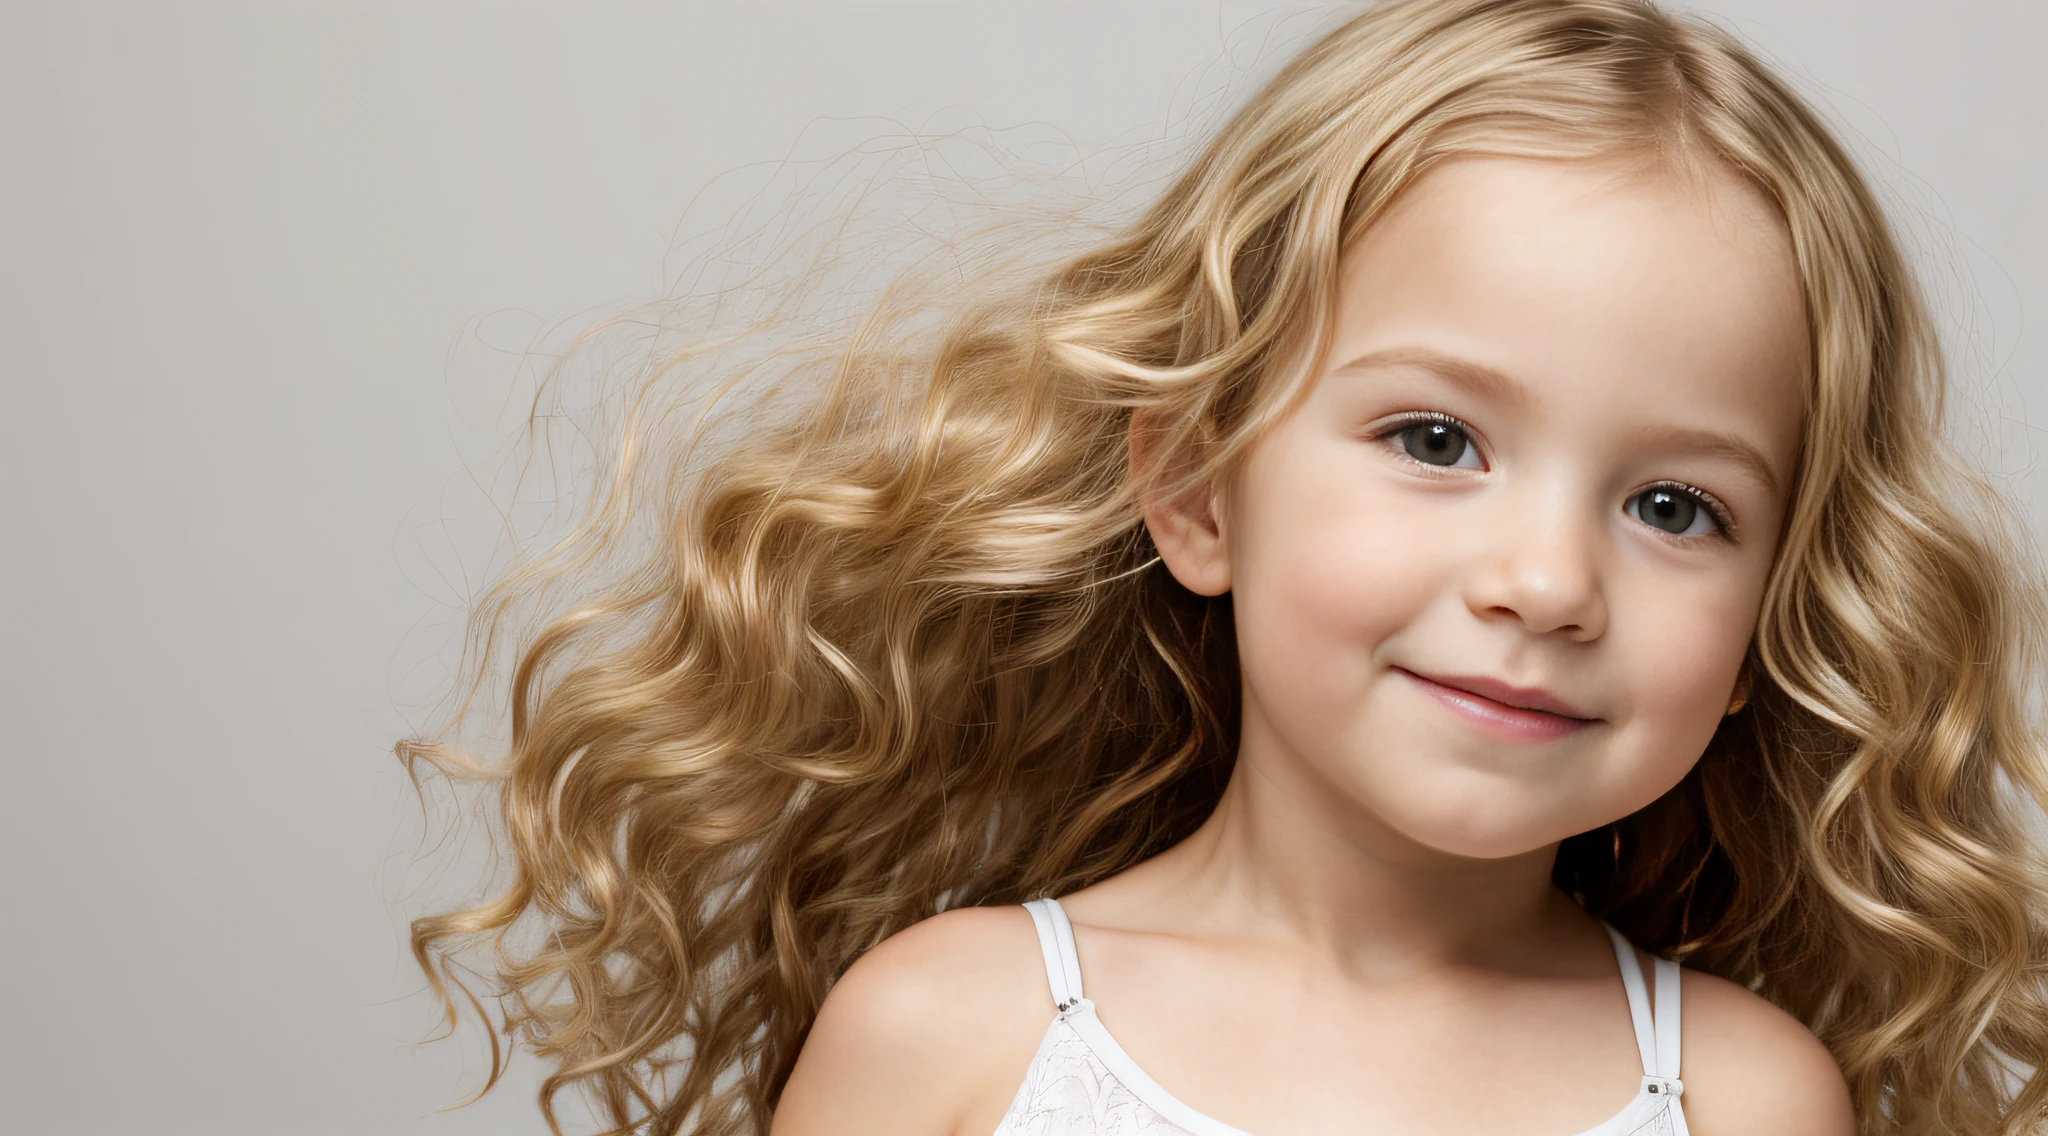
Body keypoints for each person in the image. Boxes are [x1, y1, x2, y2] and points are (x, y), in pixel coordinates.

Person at [401, 1, 2048, 1133]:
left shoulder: (1740, 1102)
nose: (1548, 580)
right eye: (1436, 440)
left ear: (1778, 619)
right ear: (1196, 490)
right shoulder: (956, 1038)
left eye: (1678, 508)